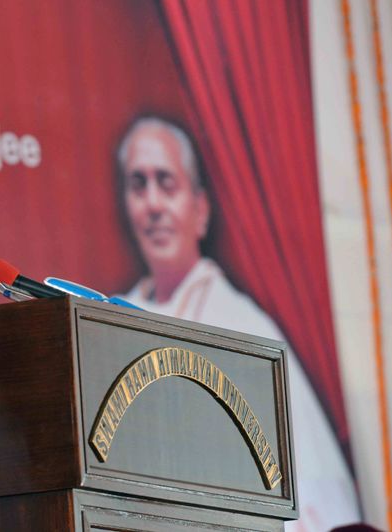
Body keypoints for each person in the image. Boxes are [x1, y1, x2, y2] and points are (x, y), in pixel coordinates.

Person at [115, 116, 360, 531]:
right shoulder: (114, 316)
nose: (153, 203)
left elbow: (302, 483)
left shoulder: (243, 326)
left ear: (201, 209)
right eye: (139, 185)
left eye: (166, 183)